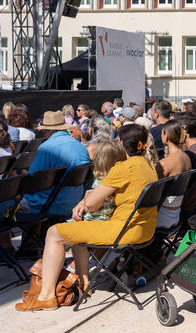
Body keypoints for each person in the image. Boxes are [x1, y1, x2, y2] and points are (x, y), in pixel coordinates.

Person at [16, 124, 158, 311]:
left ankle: (47, 296)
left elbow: (92, 204)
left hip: (122, 231)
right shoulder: (148, 165)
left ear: (122, 143)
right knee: (77, 232)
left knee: (53, 233)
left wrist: (84, 202)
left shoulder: (124, 168)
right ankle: (84, 281)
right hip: (145, 230)